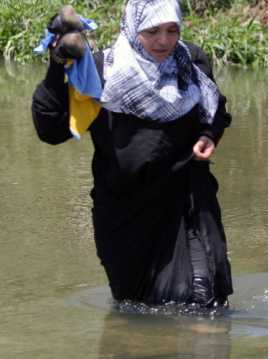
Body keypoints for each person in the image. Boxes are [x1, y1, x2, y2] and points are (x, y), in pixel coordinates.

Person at [31, 0, 233, 309]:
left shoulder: (190, 63)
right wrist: (58, 66)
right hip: (125, 213)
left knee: (207, 305)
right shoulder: (101, 72)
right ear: (132, 27)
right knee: (134, 307)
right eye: (152, 31)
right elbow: (51, 130)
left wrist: (208, 135)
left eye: (172, 30)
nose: (164, 41)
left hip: (188, 203)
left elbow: (215, 109)